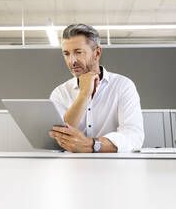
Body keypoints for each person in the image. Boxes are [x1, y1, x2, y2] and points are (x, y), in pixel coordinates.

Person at [49, 23, 144, 153]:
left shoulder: (123, 86)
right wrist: (84, 94)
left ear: (97, 53)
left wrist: (92, 144)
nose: (72, 61)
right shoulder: (60, 93)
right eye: (66, 54)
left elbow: (134, 136)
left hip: (115, 168)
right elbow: (58, 138)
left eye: (78, 52)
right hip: (72, 168)